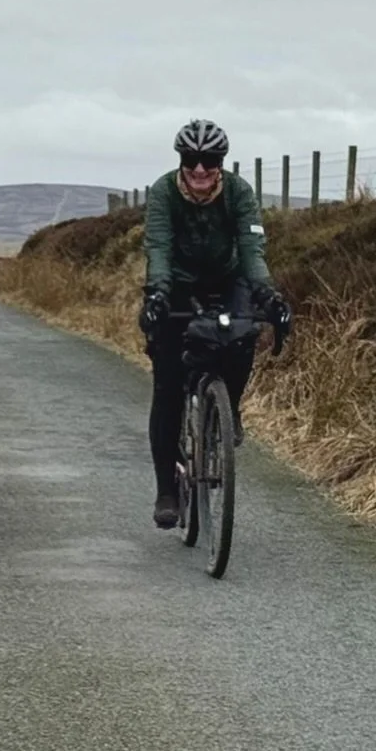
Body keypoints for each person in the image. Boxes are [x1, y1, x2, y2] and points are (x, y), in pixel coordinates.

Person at [138, 119, 290, 530]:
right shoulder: (163, 193)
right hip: (177, 285)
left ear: (221, 162)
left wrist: (267, 295)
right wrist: (157, 294)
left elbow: (252, 248)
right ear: (181, 160)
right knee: (168, 384)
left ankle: (229, 409)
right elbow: (159, 247)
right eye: (191, 160)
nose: (200, 169)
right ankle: (166, 490)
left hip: (228, 279)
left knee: (242, 338)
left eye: (210, 160)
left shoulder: (239, 192)